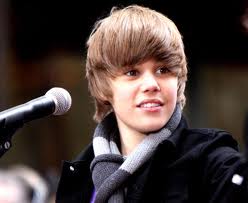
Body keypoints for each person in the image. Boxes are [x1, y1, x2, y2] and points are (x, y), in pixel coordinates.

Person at [56, 4, 248, 203]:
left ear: (179, 80)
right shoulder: (80, 174)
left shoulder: (211, 161)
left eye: (163, 70)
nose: (151, 84)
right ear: (104, 87)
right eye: (132, 73)